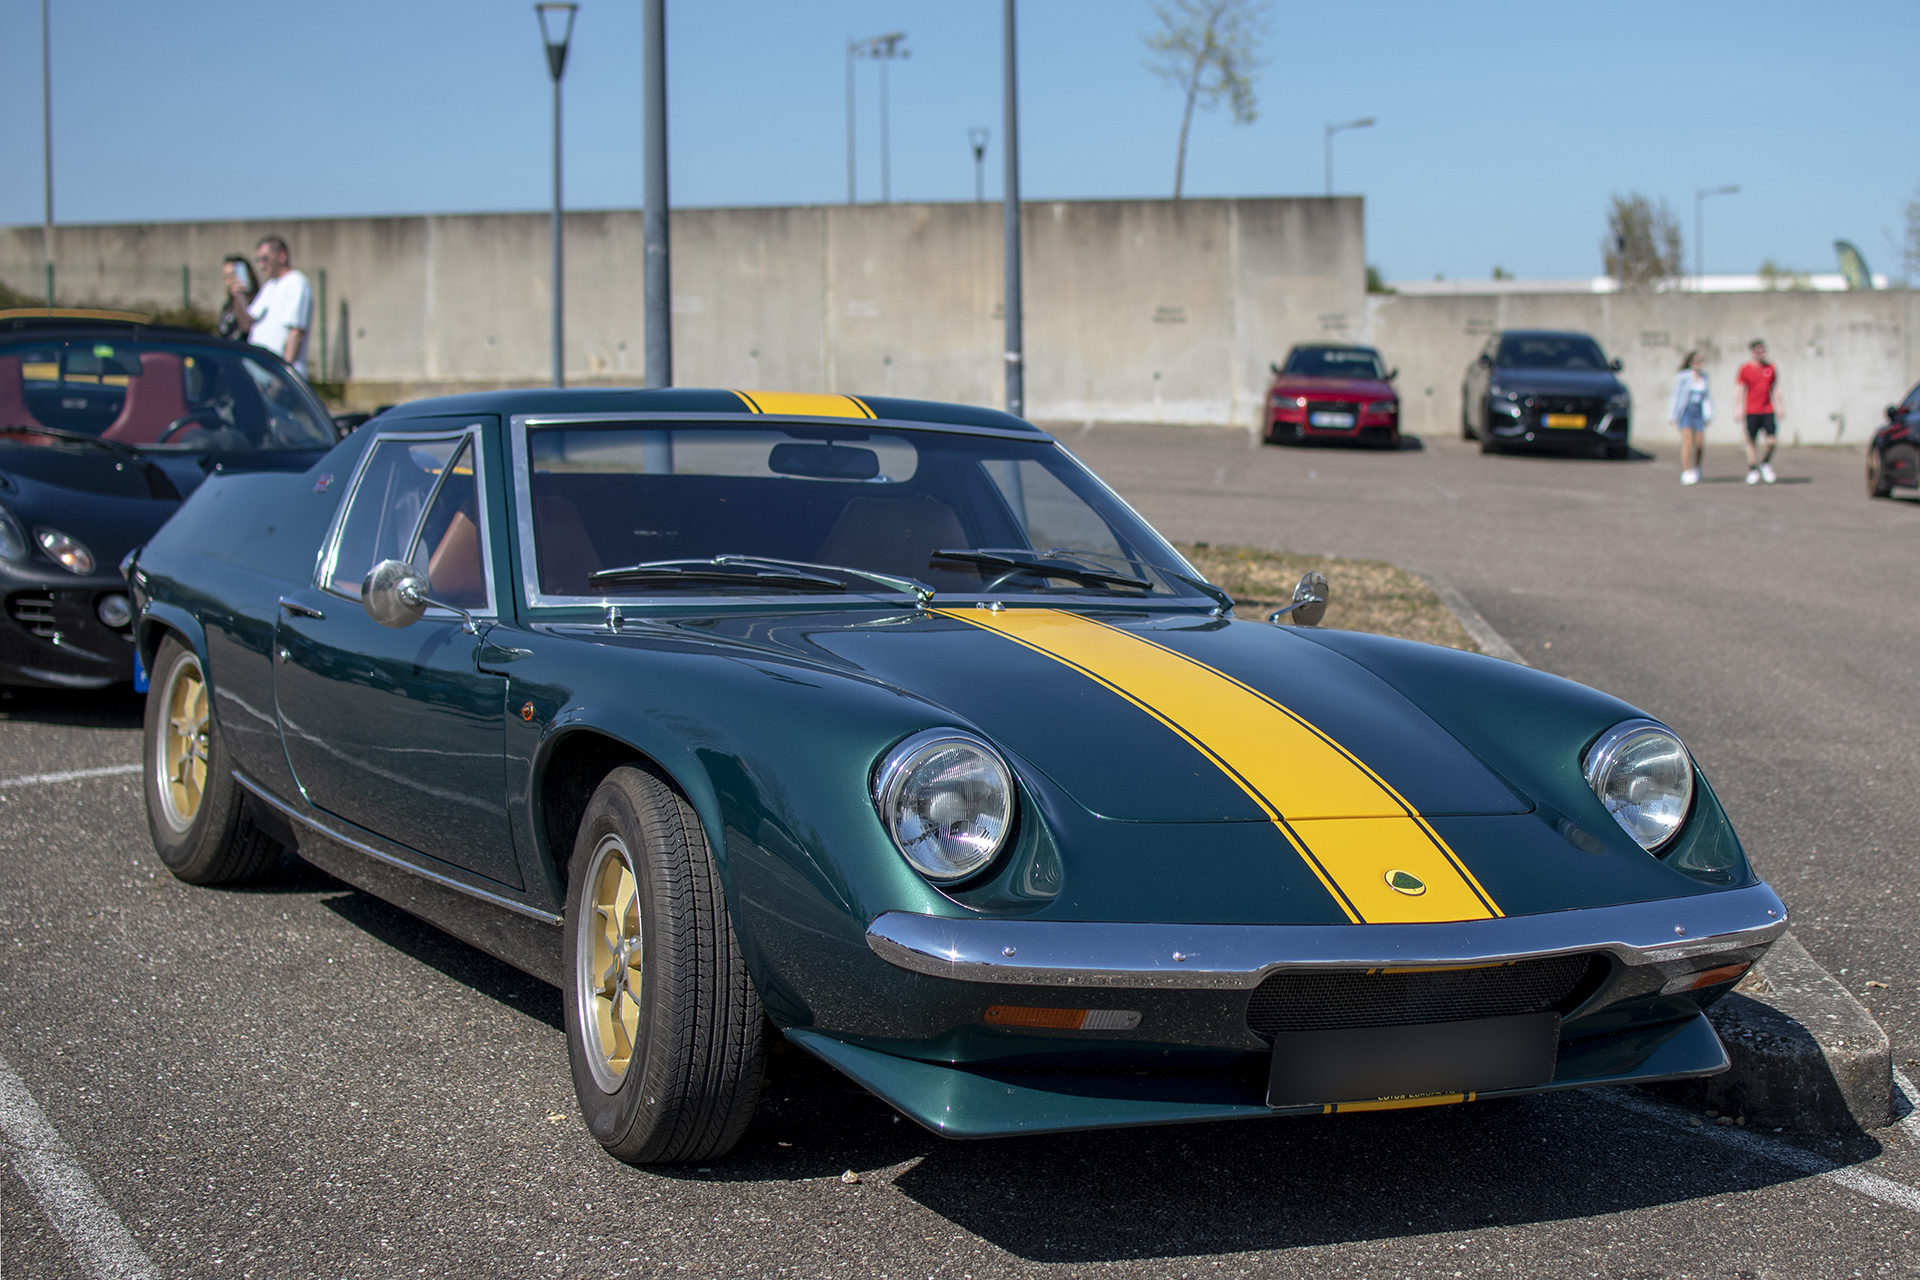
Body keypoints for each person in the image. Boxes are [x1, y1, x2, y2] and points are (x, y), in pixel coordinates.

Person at [240, 236, 313, 378]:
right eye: (258, 260)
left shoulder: (296, 283)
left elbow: (295, 333)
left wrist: (281, 377)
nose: (261, 265)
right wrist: (238, 296)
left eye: (265, 259)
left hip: (280, 382)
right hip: (263, 379)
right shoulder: (269, 286)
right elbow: (246, 324)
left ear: (282, 255)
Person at [1734, 339, 1780, 485]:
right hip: (1751, 410)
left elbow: (1775, 388)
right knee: (1751, 441)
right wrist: (1738, 408)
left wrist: (1780, 406)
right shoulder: (1745, 369)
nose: (1761, 353)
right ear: (1752, 352)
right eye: (1758, 351)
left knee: (1771, 440)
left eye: (1763, 351)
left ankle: (1765, 463)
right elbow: (1740, 389)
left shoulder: (1771, 367)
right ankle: (1753, 469)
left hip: (1767, 409)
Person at [1668, 350, 1713, 485]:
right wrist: (1673, 415)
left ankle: (1696, 467)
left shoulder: (1704, 377)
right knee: (1687, 441)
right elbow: (1677, 395)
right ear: (1691, 363)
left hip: (1698, 412)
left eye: (1701, 361)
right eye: (1696, 361)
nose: (1699, 364)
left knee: (1699, 444)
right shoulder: (1683, 376)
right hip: (1686, 412)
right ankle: (1686, 471)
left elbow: (1707, 397)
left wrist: (1708, 414)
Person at [216, 254, 255, 340]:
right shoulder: (228, 305)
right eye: (225, 277)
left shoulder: (257, 302)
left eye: (232, 276)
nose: (228, 283)